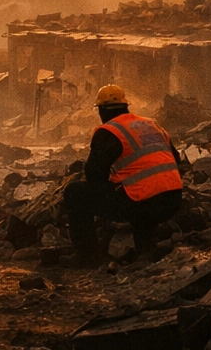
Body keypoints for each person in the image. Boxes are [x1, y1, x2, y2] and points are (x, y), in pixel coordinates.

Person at [62, 84, 182, 266]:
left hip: (142, 203)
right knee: (142, 192)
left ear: (101, 110)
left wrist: (116, 179)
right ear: (126, 106)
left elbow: (94, 175)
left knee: (75, 193)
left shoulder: (109, 131)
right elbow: (176, 159)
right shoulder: (151, 124)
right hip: (173, 199)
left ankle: (87, 256)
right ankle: (145, 252)